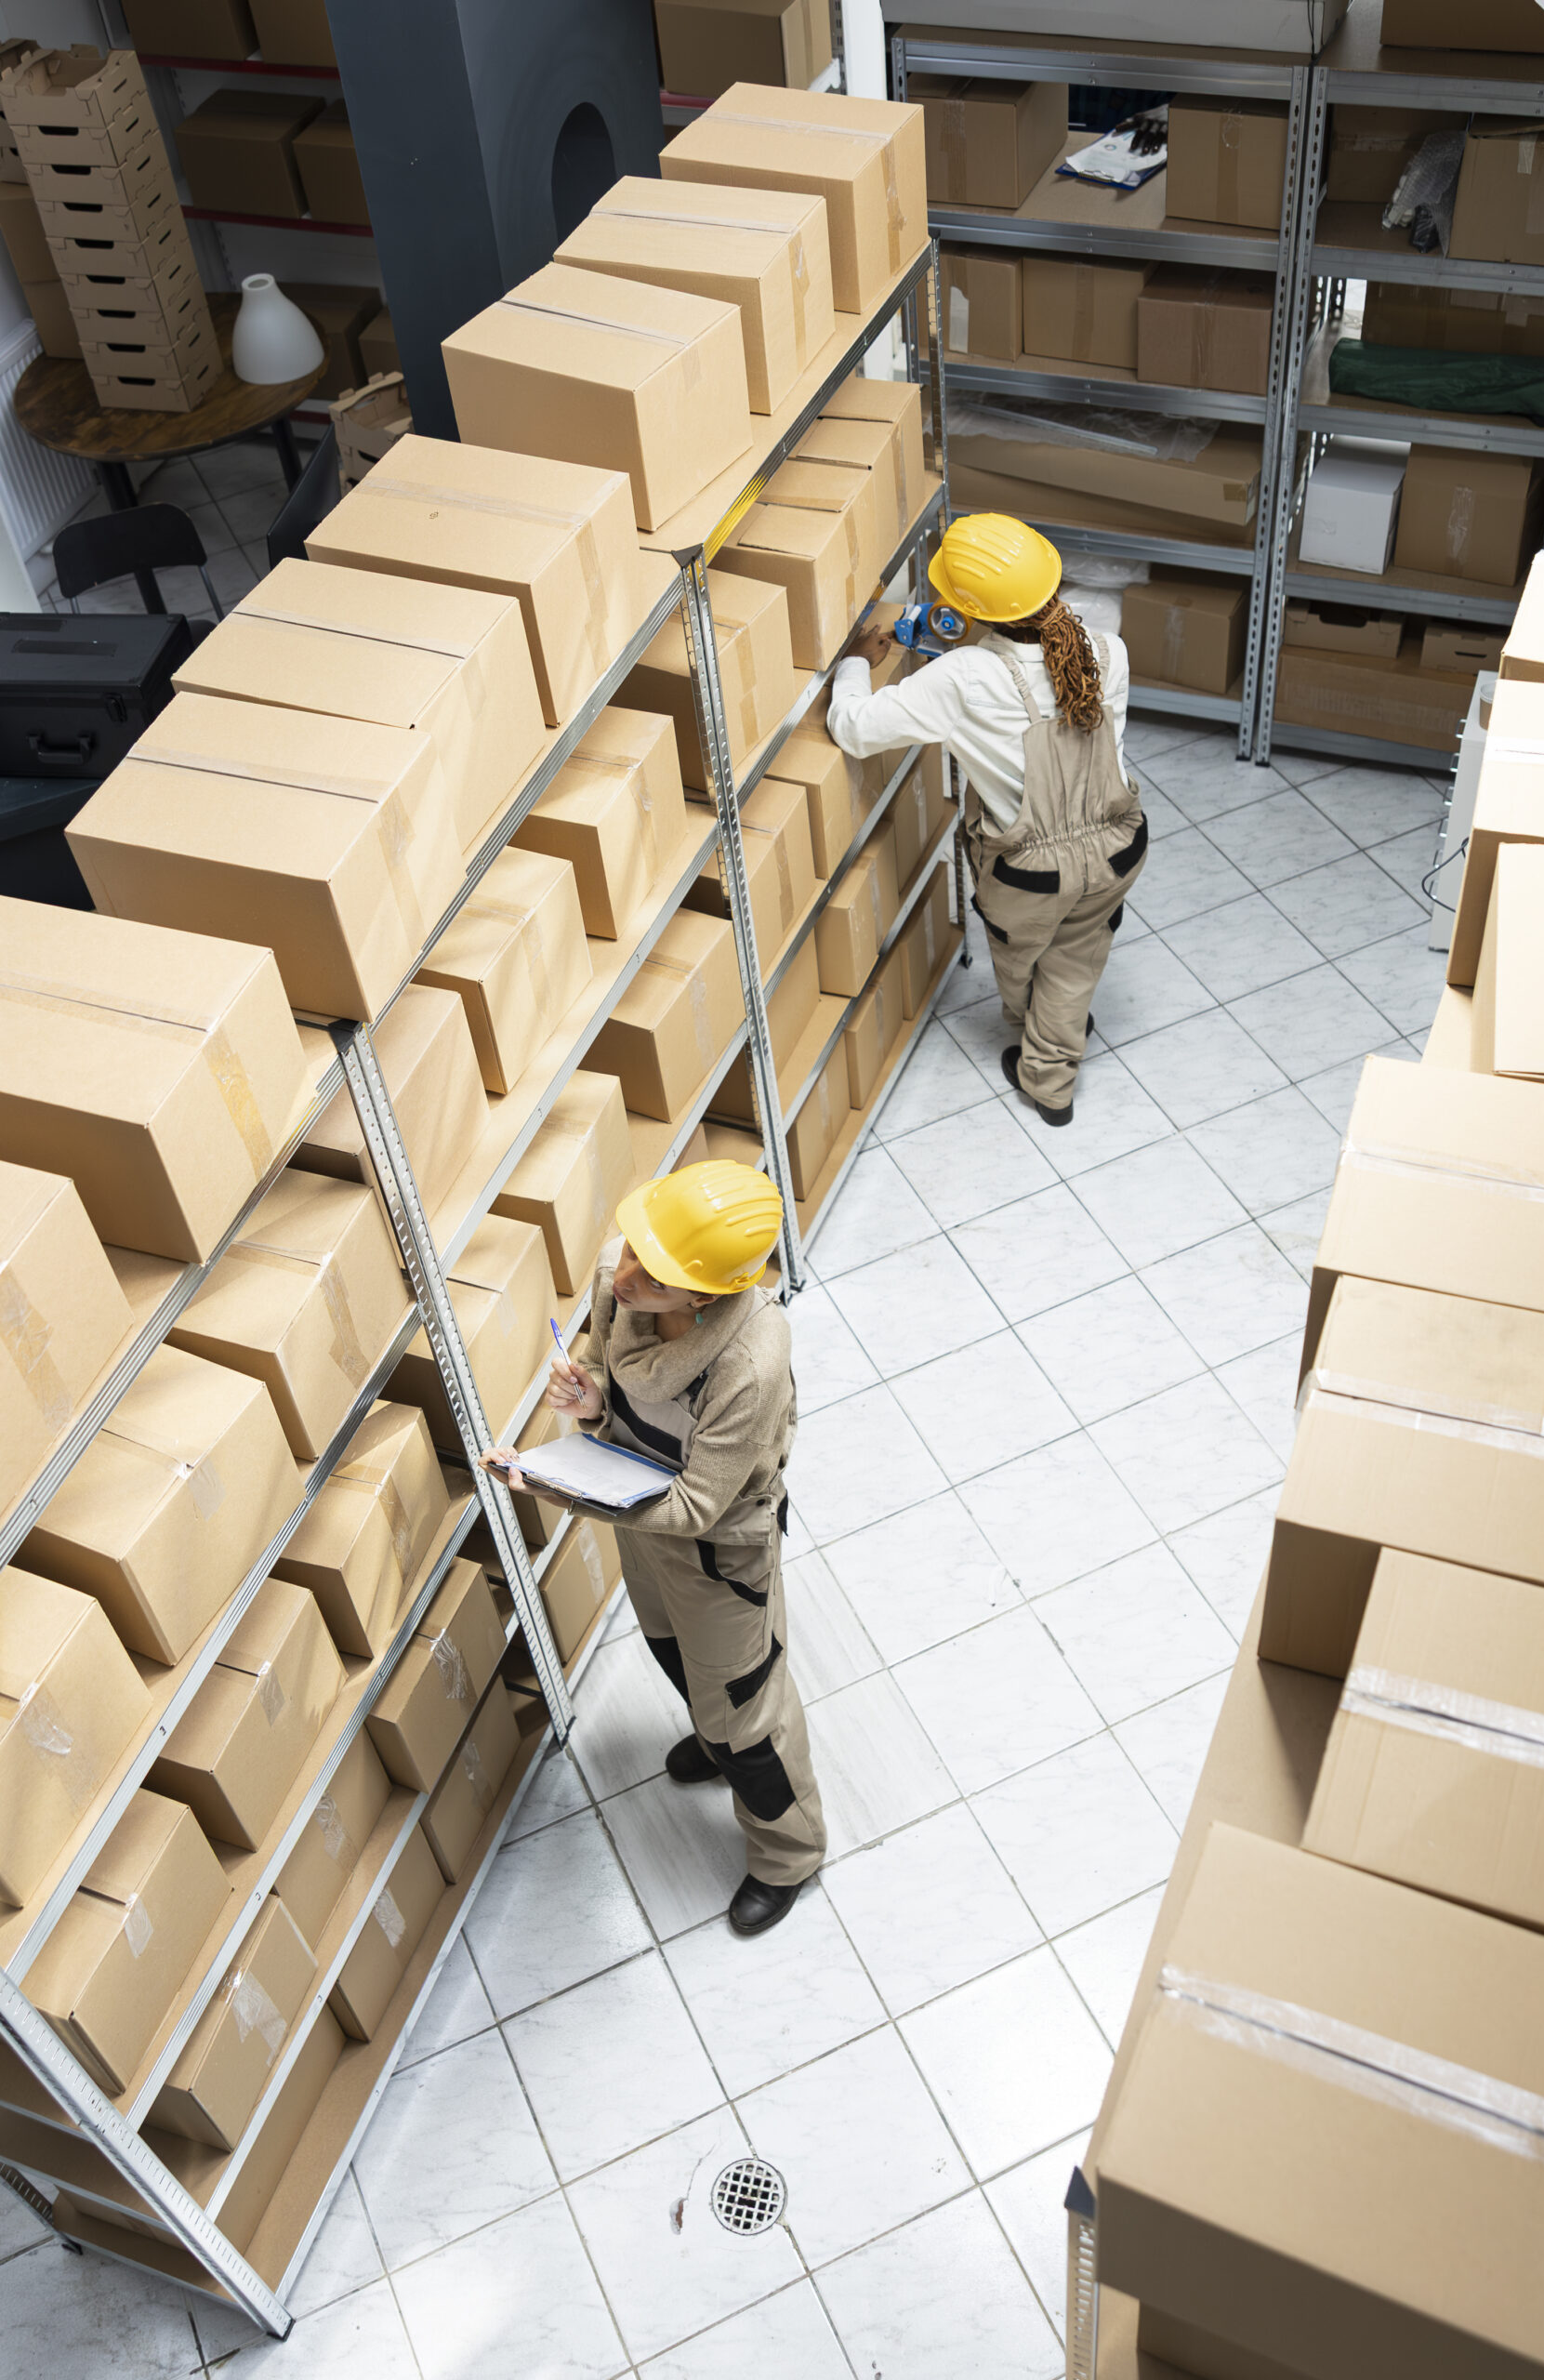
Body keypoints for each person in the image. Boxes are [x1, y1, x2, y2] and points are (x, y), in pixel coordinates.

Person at [486, 1160, 824, 1938]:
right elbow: (612, 1368)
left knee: (744, 1708)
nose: (625, 1274)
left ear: (704, 1297)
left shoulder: (750, 1362)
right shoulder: (624, 1274)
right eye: (635, 1249)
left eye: (655, 1276)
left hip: (714, 1545)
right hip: (638, 1509)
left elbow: (700, 1502)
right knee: (672, 1652)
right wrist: (594, 1401)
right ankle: (708, 1737)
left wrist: (557, 1488)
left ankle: (789, 1853)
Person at [826, 512, 1147, 1127]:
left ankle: (1045, 1061)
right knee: (1077, 953)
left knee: (1023, 960)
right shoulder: (1105, 644)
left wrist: (855, 665)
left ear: (966, 609)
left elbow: (856, 730)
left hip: (1030, 875)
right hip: (1116, 849)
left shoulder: (961, 677)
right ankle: (1058, 1048)